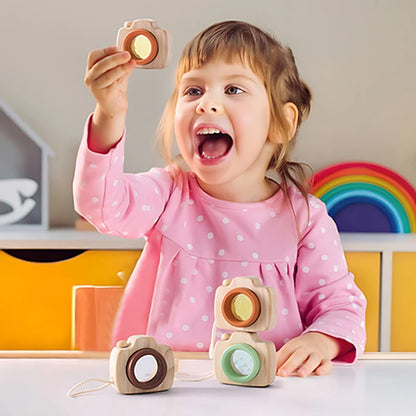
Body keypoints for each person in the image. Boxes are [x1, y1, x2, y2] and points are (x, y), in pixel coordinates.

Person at [73, 20, 366, 377]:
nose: (207, 104)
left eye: (233, 89)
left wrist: (322, 341)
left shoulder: (305, 219)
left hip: (273, 391)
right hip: (170, 388)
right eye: (193, 91)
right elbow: (100, 205)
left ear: (281, 122)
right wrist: (109, 115)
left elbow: (340, 306)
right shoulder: (168, 194)